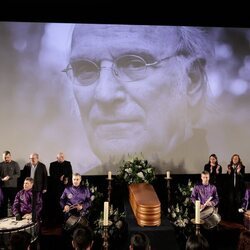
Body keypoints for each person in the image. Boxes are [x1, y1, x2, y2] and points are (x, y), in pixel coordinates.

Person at [63, 24, 212, 174]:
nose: (104, 94)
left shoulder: (218, 185)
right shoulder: (77, 189)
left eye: (135, 64)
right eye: (85, 69)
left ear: (192, 81)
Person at [22, 153, 48, 222]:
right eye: (31, 158)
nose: (32, 159)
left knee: (38, 204)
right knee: (29, 203)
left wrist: (45, 187)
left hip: (38, 188)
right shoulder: (27, 165)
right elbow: (23, 177)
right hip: (28, 188)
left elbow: (45, 177)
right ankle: (30, 218)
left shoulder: (42, 166)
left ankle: (38, 218)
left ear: (37, 158)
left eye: (34, 158)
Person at [49, 152, 73, 224]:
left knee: (66, 202)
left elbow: (70, 173)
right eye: (60, 157)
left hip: (66, 187)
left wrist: (66, 178)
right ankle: (57, 220)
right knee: (57, 203)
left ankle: (66, 219)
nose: (62, 158)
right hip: (56, 188)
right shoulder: (52, 164)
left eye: (63, 157)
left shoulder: (68, 163)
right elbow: (52, 175)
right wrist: (59, 178)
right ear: (57, 158)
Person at [224, 153, 245, 221]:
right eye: (234, 158)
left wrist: (239, 173)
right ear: (232, 159)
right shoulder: (229, 166)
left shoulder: (242, 166)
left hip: (238, 188)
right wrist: (229, 173)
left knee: (238, 201)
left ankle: (238, 216)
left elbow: (243, 178)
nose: (235, 159)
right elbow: (227, 178)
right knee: (231, 201)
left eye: (236, 158)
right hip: (231, 188)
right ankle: (231, 216)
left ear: (238, 160)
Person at [0, 150, 20, 218]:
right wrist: (2, 179)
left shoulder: (15, 164)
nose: (6, 159)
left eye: (8, 157)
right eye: (5, 157)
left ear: (10, 156)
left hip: (13, 187)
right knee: (3, 204)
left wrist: (10, 177)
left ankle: (14, 217)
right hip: (3, 187)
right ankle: (3, 218)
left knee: (14, 203)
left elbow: (18, 174)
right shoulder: (0, 164)